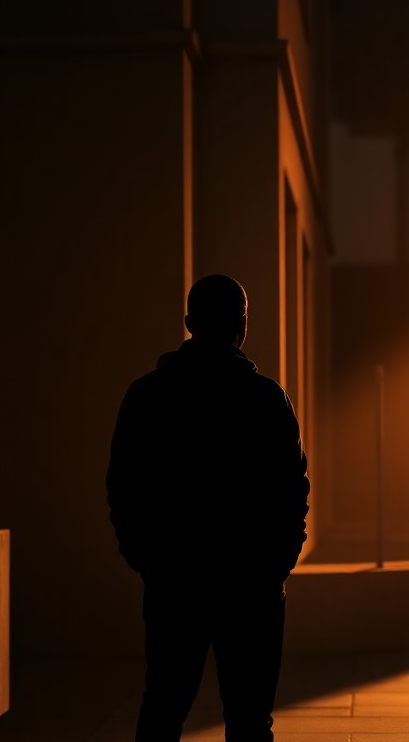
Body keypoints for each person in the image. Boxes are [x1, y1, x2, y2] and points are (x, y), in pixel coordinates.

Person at [106, 273, 311, 742]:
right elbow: (292, 489)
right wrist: (277, 563)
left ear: (188, 323)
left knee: (162, 710)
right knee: (250, 720)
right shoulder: (267, 400)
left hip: (175, 580)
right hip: (252, 584)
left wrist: (148, 561)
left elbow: (123, 488)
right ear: (242, 325)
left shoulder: (147, 396)